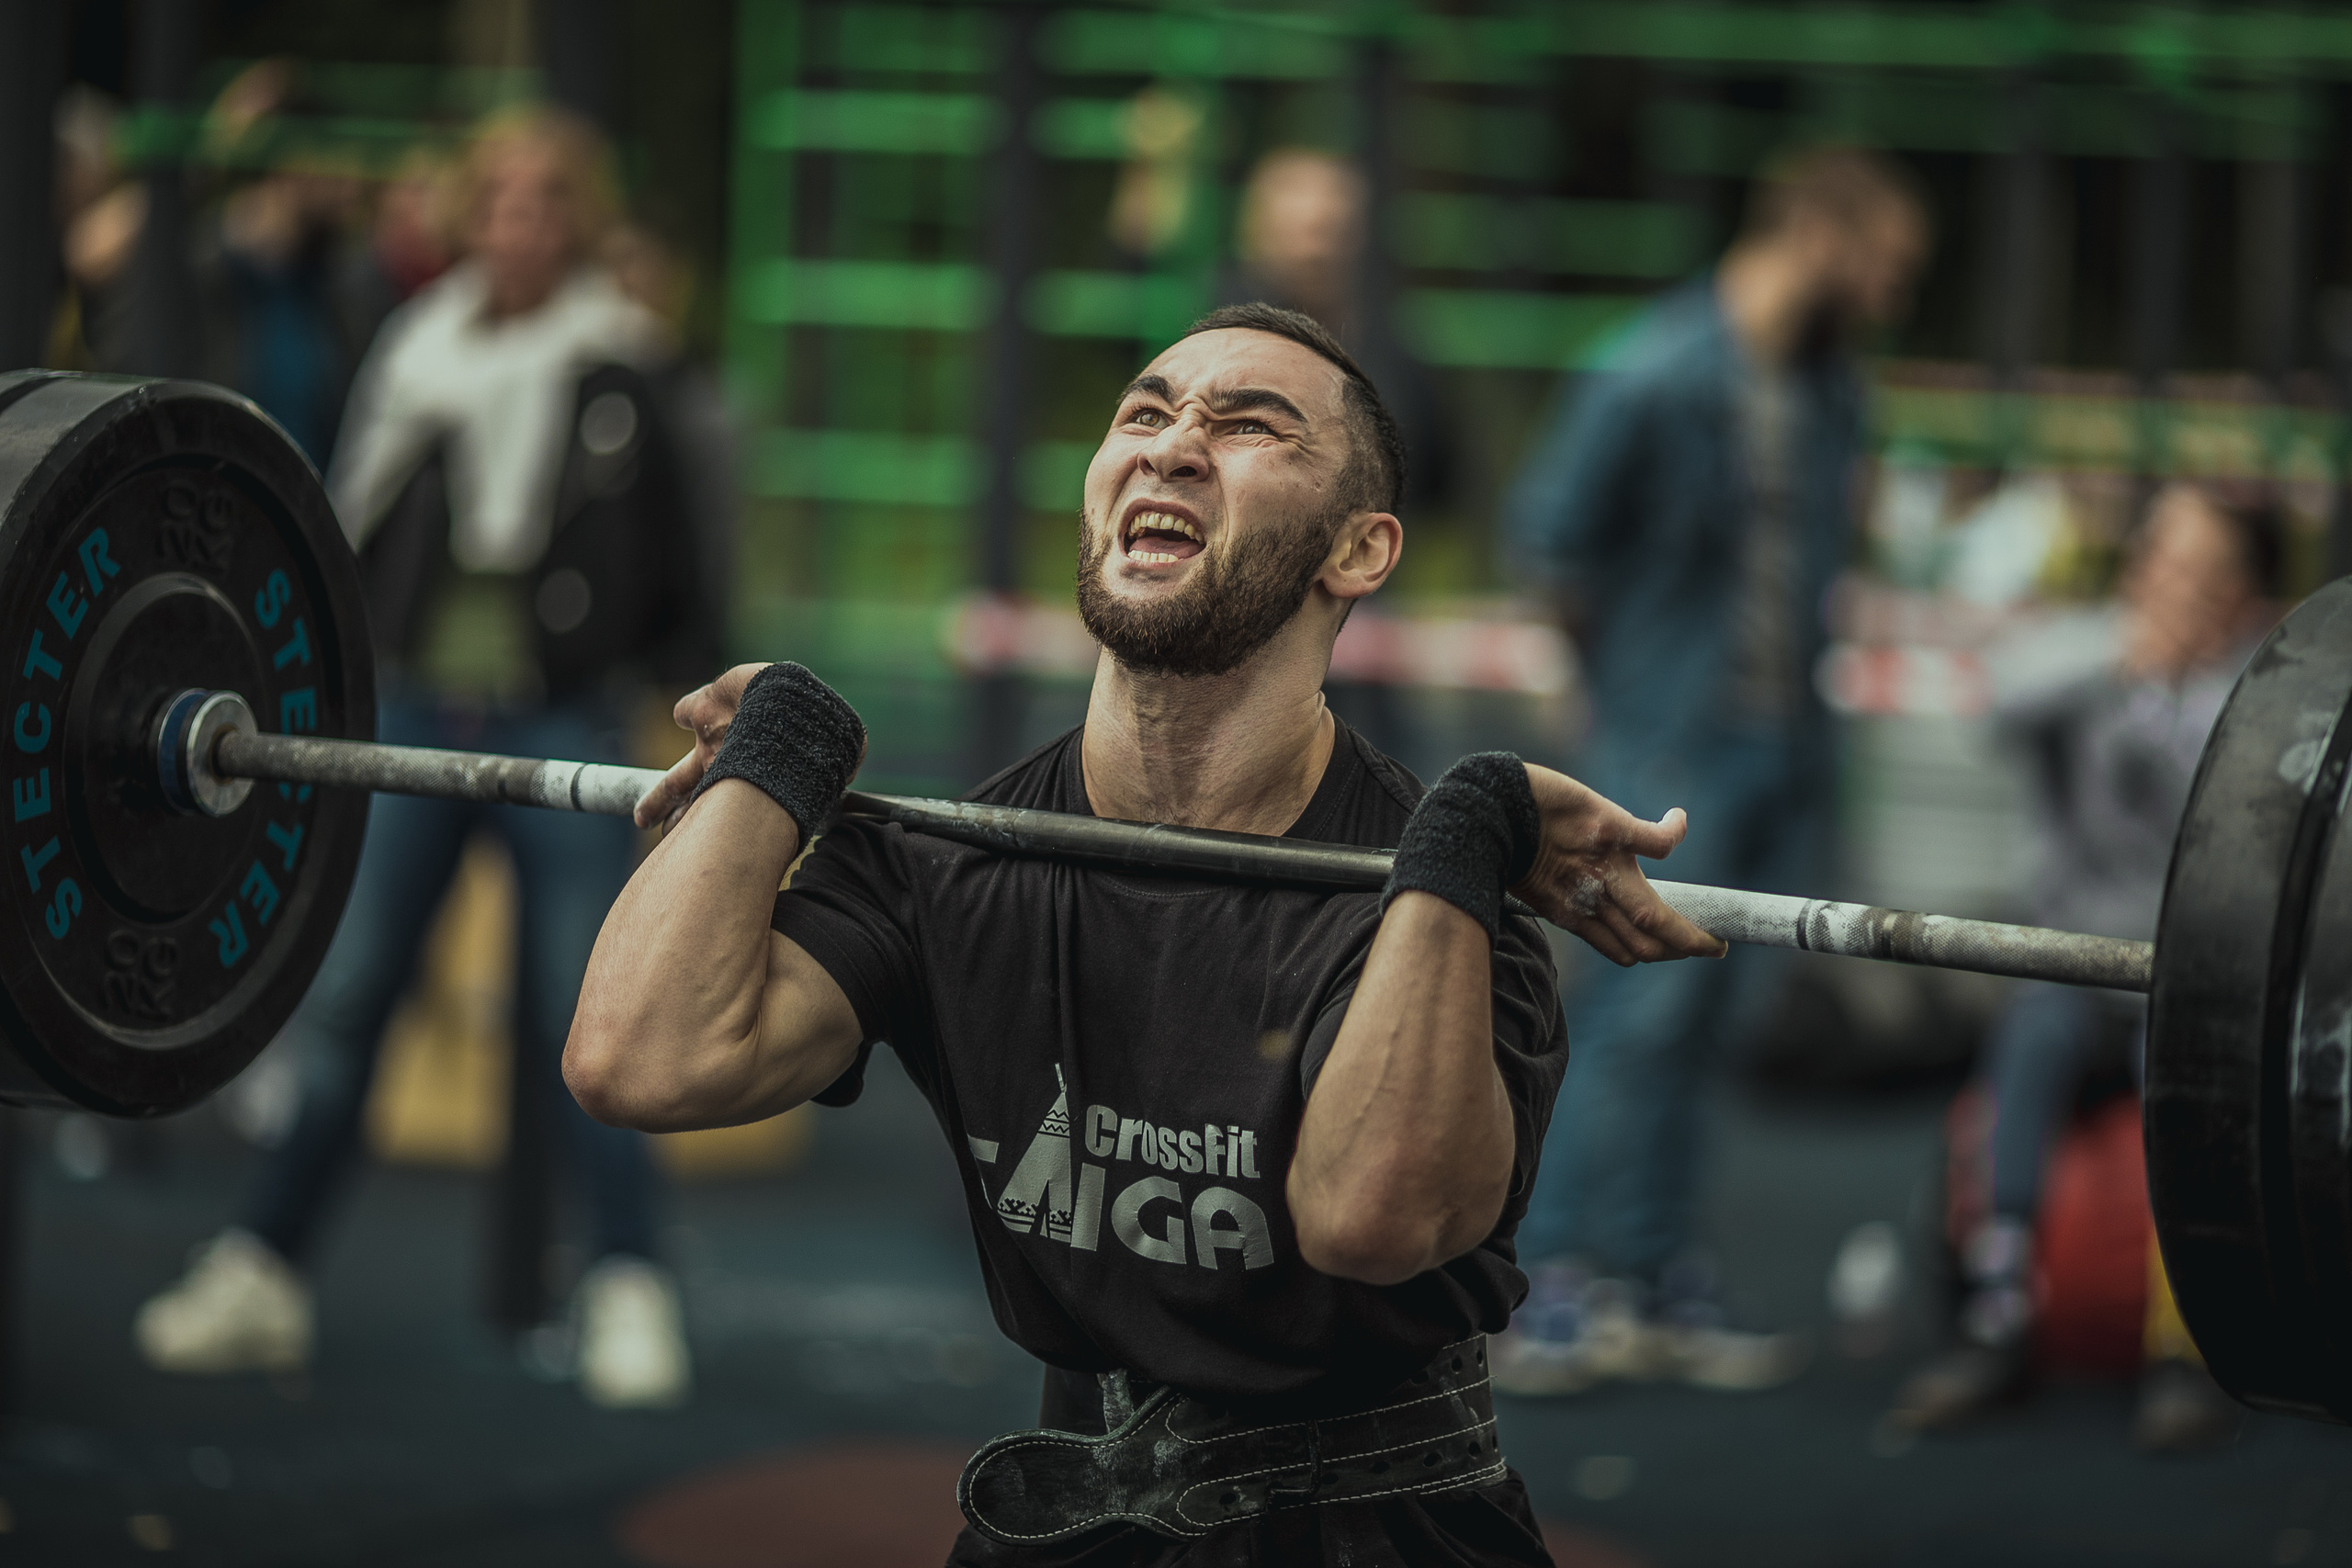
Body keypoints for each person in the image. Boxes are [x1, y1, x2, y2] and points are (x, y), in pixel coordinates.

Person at [564, 302, 1725, 1564]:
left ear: (1360, 548)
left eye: (1247, 426)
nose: (1173, 444)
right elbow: (640, 1059)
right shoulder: (948, 860)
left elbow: (1369, 1218)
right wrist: (781, 750)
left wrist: (1463, 838)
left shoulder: (1445, 915)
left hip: (1375, 1534)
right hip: (1073, 1525)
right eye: (1145, 411)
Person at [133, 107, 719, 1410]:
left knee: (593, 1007)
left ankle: (628, 1282)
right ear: (467, 214)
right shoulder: (418, 346)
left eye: (545, 201)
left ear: (577, 220)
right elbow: (351, 518)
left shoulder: (624, 364)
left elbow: (682, 556)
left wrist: (660, 687)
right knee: (348, 1000)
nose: (520, 221)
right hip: (415, 709)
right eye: (499, 198)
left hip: (554, 713)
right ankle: (261, 1266)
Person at [1496, 146, 1929, 1394]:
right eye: (1887, 265)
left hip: (1785, 737)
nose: (1894, 294)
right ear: (1822, 236)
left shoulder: (1829, 385)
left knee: (1714, 1015)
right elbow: (1550, 536)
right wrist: (1628, 701)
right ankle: (1561, 1282)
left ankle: (1653, 1269)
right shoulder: (1656, 369)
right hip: (1670, 738)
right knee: (1641, 1012)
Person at [1892, 483, 2281, 1449]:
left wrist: (2192, 678)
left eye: (2198, 569)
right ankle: (1998, 1317)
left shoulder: (2255, 695)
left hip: (2186, 983)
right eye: (2157, 559)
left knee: (2182, 1074)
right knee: (2030, 1037)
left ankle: (2183, 1342)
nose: (2168, 584)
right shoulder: (2087, 657)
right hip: (2070, 970)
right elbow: (1997, 702)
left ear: (2242, 594)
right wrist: (2122, 659)